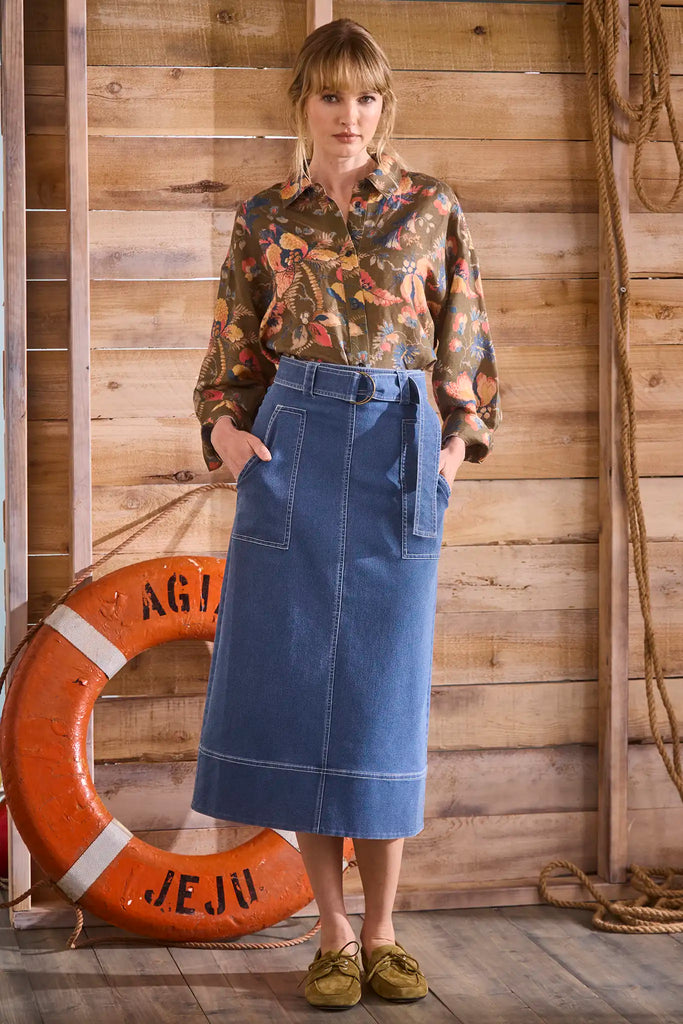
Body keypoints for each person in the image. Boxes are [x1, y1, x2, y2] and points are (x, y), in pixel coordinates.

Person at [191, 17, 502, 1010]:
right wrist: (230, 436)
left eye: (364, 96)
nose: (348, 114)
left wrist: (454, 443)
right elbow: (230, 357)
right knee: (298, 694)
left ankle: (383, 933)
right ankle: (328, 935)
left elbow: (464, 343)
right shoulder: (265, 217)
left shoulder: (428, 210)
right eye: (329, 95)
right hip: (292, 448)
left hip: (396, 452)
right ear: (303, 105)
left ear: (383, 106)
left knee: (377, 693)